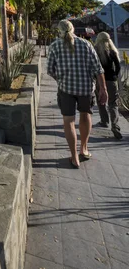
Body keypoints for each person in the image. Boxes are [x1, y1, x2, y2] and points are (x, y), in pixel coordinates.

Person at [47, 20, 108, 168]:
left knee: (68, 121)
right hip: (86, 89)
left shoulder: (55, 46)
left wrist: (61, 79)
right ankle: (84, 149)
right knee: (85, 116)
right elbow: (98, 69)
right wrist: (103, 89)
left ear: (59, 31)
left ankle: (74, 157)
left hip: (66, 89)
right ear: (73, 29)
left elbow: (50, 70)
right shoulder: (86, 44)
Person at [94, 32, 123, 140]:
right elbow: (118, 67)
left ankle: (104, 121)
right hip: (111, 81)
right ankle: (115, 126)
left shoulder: (95, 50)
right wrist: (114, 75)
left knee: (101, 101)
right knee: (113, 103)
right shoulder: (112, 51)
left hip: (99, 81)